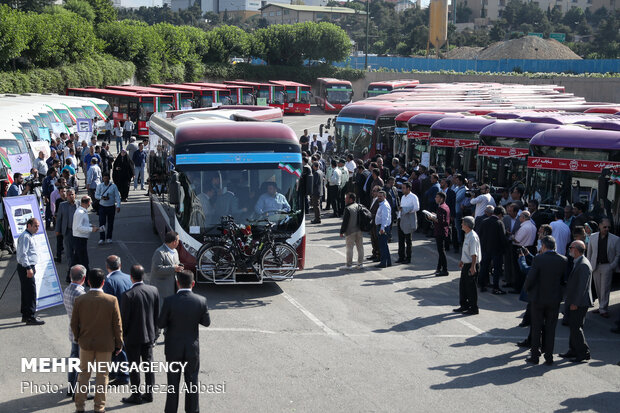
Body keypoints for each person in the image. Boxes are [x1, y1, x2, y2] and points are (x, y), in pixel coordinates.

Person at [158, 270, 210, 413]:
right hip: (191, 349)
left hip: (173, 348)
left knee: (173, 383)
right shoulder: (201, 300)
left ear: (177, 283)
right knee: (192, 381)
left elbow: (161, 323)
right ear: (193, 283)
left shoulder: (169, 301)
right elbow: (206, 322)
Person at [71, 268, 123, 413]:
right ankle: (99, 407)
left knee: (83, 375)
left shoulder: (80, 300)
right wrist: (118, 344)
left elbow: (74, 323)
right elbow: (117, 325)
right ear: (103, 282)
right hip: (105, 345)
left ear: (88, 281)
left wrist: (78, 338)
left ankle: (79, 407)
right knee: (102, 377)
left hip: (86, 344)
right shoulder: (112, 300)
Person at [523, 236, 567, 365]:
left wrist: (527, 289)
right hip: (554, 299)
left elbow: (531, 277)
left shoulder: (539, 259)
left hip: (538, 298)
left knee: (536, 327)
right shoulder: (563, 260)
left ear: (543, 246)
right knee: (551, 328)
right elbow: (564, 281)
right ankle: (549, 356)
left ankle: (535, 355)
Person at [120, 265, 160, 405]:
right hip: (149, 336)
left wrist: (122, 337)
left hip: (132, 338)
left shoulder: (128, 295)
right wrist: (155, 334)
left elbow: (124, 320)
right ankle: (149, 394)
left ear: (131, 277)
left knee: (134, 366)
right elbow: (156, 315)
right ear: (144, 276)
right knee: (148, 365)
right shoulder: (153, 290)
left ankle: (136, 395)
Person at [559, 240, 593, 363]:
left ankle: (583, 352)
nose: (569, 250)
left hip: (579, 302)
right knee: (573, 326)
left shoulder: (583, 264)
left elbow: (582, 288)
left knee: (576, 327)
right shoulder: (578, 261)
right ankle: (573, 350)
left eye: (570, 248)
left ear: (576, 250)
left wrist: (575, 303)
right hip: (574, 300)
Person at [586, 217, 620, 318]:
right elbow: (589, 253)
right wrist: (588, 265)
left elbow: (618, 254)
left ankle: (603, 308)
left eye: (608, 227)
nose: (606, 229)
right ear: (600, 226)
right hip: (595, 265)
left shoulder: (616, 239)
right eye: (604, 227)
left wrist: (612, 265)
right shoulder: (593, 237)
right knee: (598, 287)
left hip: (607, 266)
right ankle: (601, 306)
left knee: (605, 288)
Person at [63, 265, 87, 398]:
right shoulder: (80, 294)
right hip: (82, 334)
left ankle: (71, 387)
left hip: (72, 332)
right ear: (83, 278)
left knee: (74, 360)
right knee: (82, 364)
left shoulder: (67, 290)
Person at [16, 218, 44, 325]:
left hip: (29, 266)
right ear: (29, 225)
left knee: (26, 291)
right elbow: (23, 254)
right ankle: (30, 317)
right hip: (26, 267)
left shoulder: (30, 236)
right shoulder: (26, 237)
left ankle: (26, 315)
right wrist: (28, 268)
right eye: (35, 226)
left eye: (38, 226)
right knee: (31, 292)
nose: (37, 228)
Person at [453, 216, 481, 315]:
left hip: (471, 264)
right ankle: (464, 305)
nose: (461, 225)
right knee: (463, 286)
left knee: (471, 288)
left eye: (463, 223)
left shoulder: (473, 237)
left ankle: (473, 308)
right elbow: (466, 251)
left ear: (467, 225)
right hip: (466, 264)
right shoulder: (467, 234)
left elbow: (474, 254)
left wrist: (473, 267)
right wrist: (462, 260)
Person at [478, 206, 507, 294]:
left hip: (485, 248)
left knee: (484, 267)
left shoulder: (484, 221)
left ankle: (481, 285)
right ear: (500, 214)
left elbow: (480, 234)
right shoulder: (499, 223)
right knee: (496, 269)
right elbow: (503, 237)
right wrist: (505, 247)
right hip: (496, 249)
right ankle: (496, 287)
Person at [151, 231, 183, 307]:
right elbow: (157, 269)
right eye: (178, 240)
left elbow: (176, 263)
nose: (179, 242)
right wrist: (173, 268)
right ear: (174, 242)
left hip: (173, 286)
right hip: (162, 288)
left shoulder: (175, 251)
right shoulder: (159, 252)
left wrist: (179, 266)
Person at [72, 196, 100, 271]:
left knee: (76, 260)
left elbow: (82, 224)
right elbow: (79, 227)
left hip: (81, 239)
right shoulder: (80, 213)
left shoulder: (82, 211)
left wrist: (91, 225)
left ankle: (69, 276)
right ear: (88, 203)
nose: (91, 203)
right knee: (84, 260)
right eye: (90, 202)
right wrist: (91, 229)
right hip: (79, 239)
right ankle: (88, 280)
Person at [56, 188, 78, 282]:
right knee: (69, 253)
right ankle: (70, 273)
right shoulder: (62, 205)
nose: (71, 196)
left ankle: (78, 271)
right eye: (69, 195)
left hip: (78, 232)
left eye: (72, 194)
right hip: (68, 232)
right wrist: (58, 230)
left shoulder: (79, 204)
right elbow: (59, 219)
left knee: (77, 252)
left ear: (75, 195)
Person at [95, 173, 121, 245]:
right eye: (104, 178)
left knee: (110, 223)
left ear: (109, 179)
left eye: (107, 178)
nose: (105, 180)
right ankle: (102, 238)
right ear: (102, 179)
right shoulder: (100, 186)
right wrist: (102, 197)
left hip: (111, 207)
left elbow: (117, 197)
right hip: (102, 207)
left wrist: (118, 206)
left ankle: (109, 237)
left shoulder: (113, 186)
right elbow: (96, 195)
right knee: (102, 223)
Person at [396, 182, 419, 264]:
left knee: (408, 240)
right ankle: (401, 256)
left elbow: (417, 207)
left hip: (409, 219)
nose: (402, 189)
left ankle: (408, 258)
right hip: (401, 218)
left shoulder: (413, 197)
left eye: (404, 188)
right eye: (402, 188)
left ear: (408, 188)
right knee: (401, 239)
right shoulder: (402, 197)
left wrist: (406, 209)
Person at [340, 192, 364, 269]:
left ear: (351, 199)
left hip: (350, 231)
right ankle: (360, 264)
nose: (345, 199)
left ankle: (349, 265)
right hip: (359, 230)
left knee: (349, 248)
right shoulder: (358, 206)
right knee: (360, 247)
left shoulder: (348, 208)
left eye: (347, 198)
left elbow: (345, 222)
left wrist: (342, 231)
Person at [430, 192, 450, 276]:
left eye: (437, 197)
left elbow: (441, 221)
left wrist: (433, 218)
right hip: (444, 231)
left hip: (440, 231)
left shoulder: (441, 208)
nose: (435, 198)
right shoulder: (445, 206)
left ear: (441, 198)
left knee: (441, 251)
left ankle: (445, 269)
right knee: (441, 250)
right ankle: (439, 268)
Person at [375, 190, 392, 268]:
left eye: (381, 196)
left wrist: (382, 228)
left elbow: (385, 218)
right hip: (382, 226)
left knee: (383, 246)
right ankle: (388, 262)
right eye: (378, 196)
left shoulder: (384, 205)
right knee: (384, 245)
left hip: (383, 227)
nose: (379, 198)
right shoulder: (382, 204)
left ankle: (383, 262)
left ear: (384, 197)